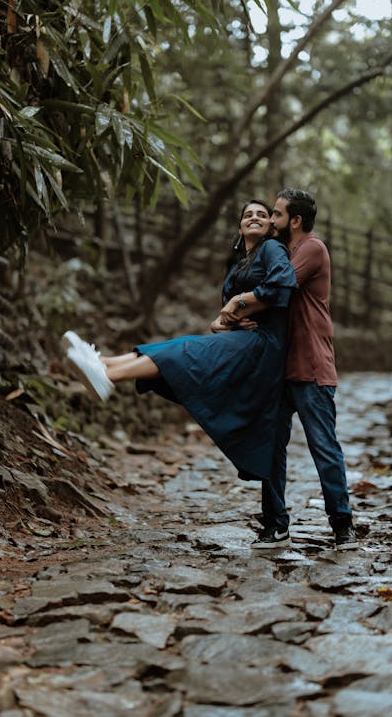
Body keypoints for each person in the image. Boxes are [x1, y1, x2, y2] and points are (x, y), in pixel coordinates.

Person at [64, 200, 297, 520]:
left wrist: (239, 302)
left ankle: (107, 374)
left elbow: (282, 286)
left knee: (183, 350)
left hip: (264, 344)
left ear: (272, 225)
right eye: (247, 215)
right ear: (240, 226)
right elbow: (220, 320)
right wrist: (226, 318)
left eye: (261, 214)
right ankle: (102, 364)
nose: (254, 218)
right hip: (239, 339)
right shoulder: (239, 263)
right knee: (177, 348)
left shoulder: (273, 249)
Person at [253, 187, 358, 551]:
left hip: (311, 366)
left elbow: (275, 288)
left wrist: (237, 304)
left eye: (277, 215)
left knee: (323, 448)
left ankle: (342, 526)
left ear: (295, 220)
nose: (271, 220)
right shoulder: (282, 250)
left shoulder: (312, 248)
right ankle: (275, 525)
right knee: (271, 448)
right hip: (280, 367)